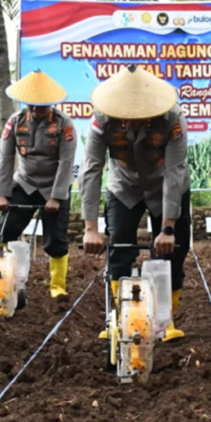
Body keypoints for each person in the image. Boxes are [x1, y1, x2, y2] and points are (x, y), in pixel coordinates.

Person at [80, 65, 191, 342]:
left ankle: (165, 320)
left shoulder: (173, 117)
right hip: (124, 186)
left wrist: (167, 229)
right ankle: (119, 317)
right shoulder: (102, 119)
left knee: (173, 251)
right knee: (119, 246)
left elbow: (174, 171)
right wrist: (90, 227)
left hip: (164, 185)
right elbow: (92, 168)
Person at [0, 70, 76, 301]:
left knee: (55, 240)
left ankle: (57, 287)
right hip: (25, 184)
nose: (36, 111)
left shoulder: (64, 125)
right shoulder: (15, 121)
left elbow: (66, 162)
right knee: (7, 229)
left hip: (54, 187)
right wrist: (2, 193)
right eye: (32, 106)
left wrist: (57, 197)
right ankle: (5, 278)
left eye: (41, 107)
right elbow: (6, 157)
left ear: (51, 104)